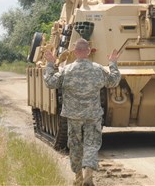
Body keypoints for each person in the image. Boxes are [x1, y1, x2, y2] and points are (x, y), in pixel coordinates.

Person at [44, 38, 121, 186]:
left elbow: (50, 82)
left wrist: (51, 64)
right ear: (89, 51)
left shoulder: (66, 70)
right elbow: (113, 81)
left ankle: (78, 177)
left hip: (73, 116)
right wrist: (112, 63)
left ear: (74, 52)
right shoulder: (97, 69)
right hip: (92, 115)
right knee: (92, 145)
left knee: (75, 145)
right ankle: (88, 176)